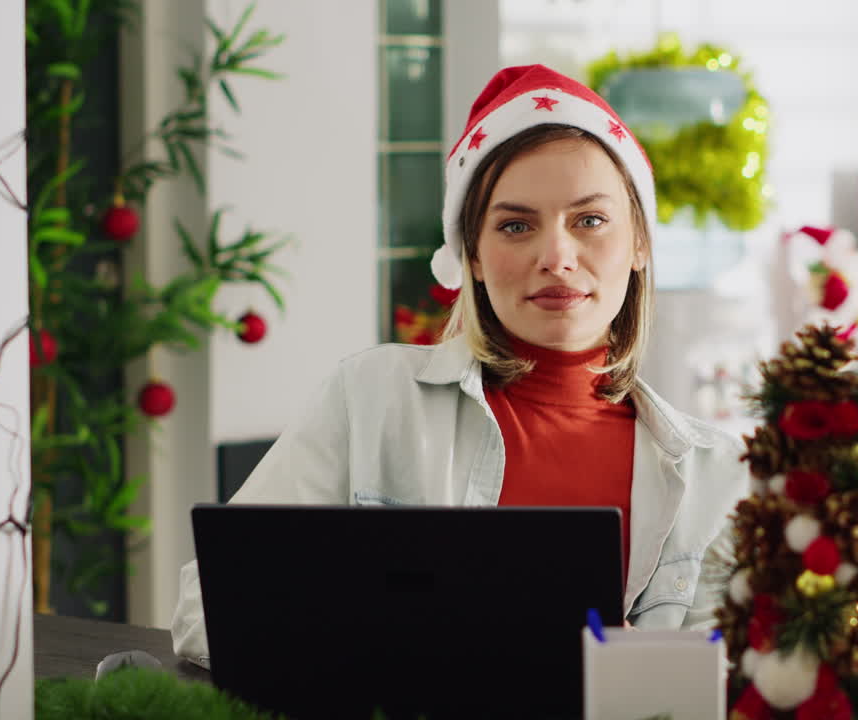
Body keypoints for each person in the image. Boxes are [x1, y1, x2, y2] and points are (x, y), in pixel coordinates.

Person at [170, 64, 749, 667]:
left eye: (590, 220)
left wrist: (636, 668)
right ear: (471, 254)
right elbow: (204, 607)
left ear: (640, 243)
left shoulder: (718, 477)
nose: (556, 256)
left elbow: (742, 684)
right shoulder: (368, 399)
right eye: (516, 225)